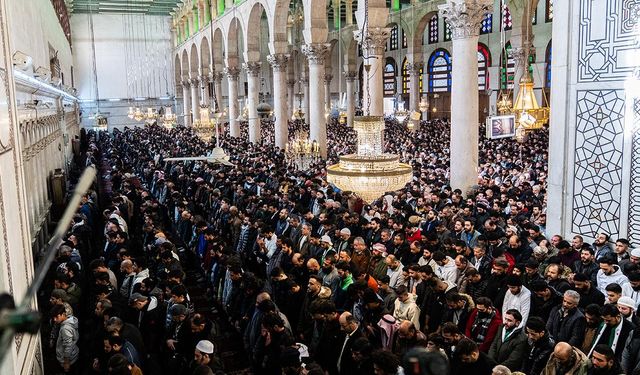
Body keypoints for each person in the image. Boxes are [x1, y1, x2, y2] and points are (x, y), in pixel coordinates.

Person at [51, 304, 79, 374]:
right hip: (73, 354)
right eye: (53, 317)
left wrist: (66, 363)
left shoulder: (65, 328)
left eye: (57, 317)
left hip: (68, 360)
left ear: (63, 314)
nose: (54, 319)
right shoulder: (71, 319)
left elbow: (68, 346)